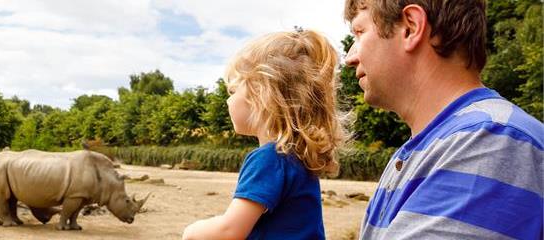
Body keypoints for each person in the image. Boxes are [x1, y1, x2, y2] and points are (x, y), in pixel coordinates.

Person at [343, 0, 543, 239]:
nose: (349, 57)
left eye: (359, 32)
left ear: (411, 27)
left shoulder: (489, 142)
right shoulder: (431, 148)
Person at [182, 28, 346, 240]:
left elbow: (230, 231)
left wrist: (192, 231)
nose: (228, 101)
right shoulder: (295, 158)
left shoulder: (269, 159)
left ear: (261, 93)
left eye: (233, 91)